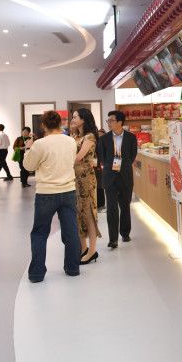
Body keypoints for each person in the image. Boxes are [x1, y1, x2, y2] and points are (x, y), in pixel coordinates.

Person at [23, 111, 80, 283]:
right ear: (60, 123)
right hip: (68, 191)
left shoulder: (40, 144)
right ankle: (73, 268)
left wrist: (28, 148)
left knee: (40, 232)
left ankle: (37, 274)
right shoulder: (70, 141)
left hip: (46, 193)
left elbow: (29, 166)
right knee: (71, 231)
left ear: (43, 125)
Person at [98, 111, 137, 249]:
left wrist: (122, 165)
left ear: (120, 122)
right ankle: (113, 239)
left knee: (125, 206)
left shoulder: (131, 138)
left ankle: (125, 233)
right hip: (110, 176)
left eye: (111, 120)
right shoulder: (104, 139)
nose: (108, 123)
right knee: (111, 207)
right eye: (108, 120)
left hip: (125, 175)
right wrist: (112, 166)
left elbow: (132, 155)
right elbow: (102, 157)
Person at [71, 109, 102, 264]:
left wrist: (61, 160)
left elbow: (78, 158)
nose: (72, 119)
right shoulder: (75, 136)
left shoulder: (89, 137)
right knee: (78, 213)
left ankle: (92, 251)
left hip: (86, 179)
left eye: (75, 117)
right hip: (74, 179)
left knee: (89, 213)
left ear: (83, 119)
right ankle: (83, 248)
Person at [95, 129, 106, 212]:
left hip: (100, 167)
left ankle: (101, 205)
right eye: (99, 134)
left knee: (100, 186)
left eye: (101, 135)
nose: (100, 136)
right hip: (96, 166)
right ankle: (99, 205)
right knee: (98, 186)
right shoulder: (96, 142)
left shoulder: (103, 143)